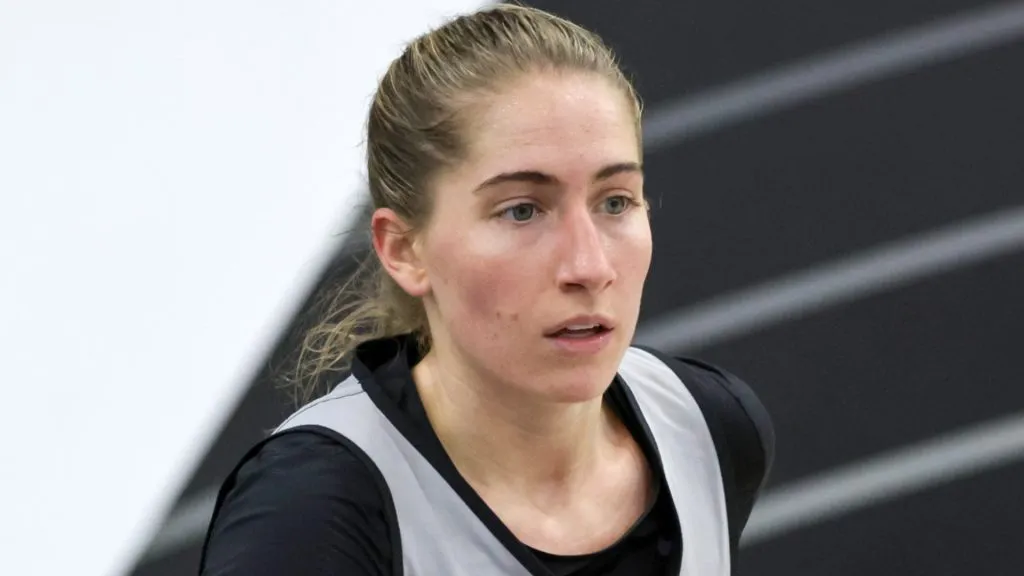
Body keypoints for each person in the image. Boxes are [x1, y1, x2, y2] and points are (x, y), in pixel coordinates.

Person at [199, 5, 774, 575]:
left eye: (616, 201)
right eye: (522, 211)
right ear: (404, 248)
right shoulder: (313, 516)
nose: (589, 265)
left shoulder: (709, 427)